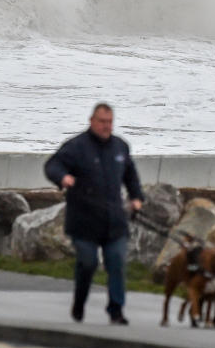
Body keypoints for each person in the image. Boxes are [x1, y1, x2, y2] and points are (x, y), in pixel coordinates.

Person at [44, 103, 144, 325]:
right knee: (88, 263)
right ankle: (79, 303)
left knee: (116, 262)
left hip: (114, 220)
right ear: (92, 121)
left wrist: (137, 198)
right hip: (84, 221)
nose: (106, 126)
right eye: (102, 122)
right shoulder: (76, 147)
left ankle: (116, 311)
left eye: (109, 122)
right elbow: (53, 165)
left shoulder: (120, 147)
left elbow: (131, 176)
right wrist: (63, 178)